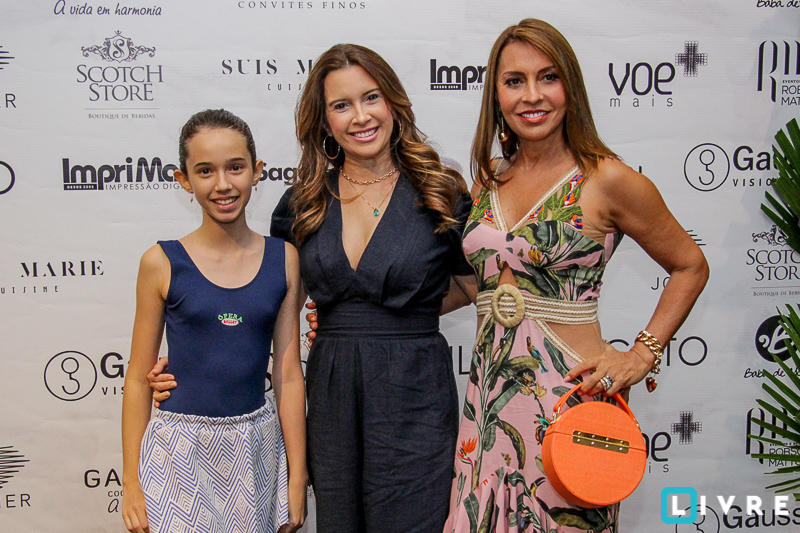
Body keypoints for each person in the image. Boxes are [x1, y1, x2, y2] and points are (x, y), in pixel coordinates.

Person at [149, 45, 474, 533]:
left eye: (371, 97)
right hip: (332, 394)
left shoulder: (440, 190)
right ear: (323, 120)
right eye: (341, 105)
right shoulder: (302, 204)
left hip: (415, 391)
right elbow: (265, 310)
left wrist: (402, 315)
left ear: (394, 103)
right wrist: (193, 364)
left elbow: (473, 288)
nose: (360, 116)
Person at [443, 19, 709, 533]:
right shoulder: (487, 180)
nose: (532, 95)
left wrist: (641, 354)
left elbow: (690, 265)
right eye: (514, 81)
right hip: (489, 408)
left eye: (548, 77)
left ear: (571, 87)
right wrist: (357, 308)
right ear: (496, 95)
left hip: (568, 405)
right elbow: (478, 286)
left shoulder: (607, 179)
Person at [121, 109, 307, 533]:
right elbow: (137, 377)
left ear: (257, 171)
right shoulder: (161, 262)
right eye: (205, 171)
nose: (222, 184)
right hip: (177, 451)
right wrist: (131, 481)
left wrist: (297, 476)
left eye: (235, 167)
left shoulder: (284, 259)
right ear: (184, 180)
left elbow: (288, 375)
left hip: (255, 448)